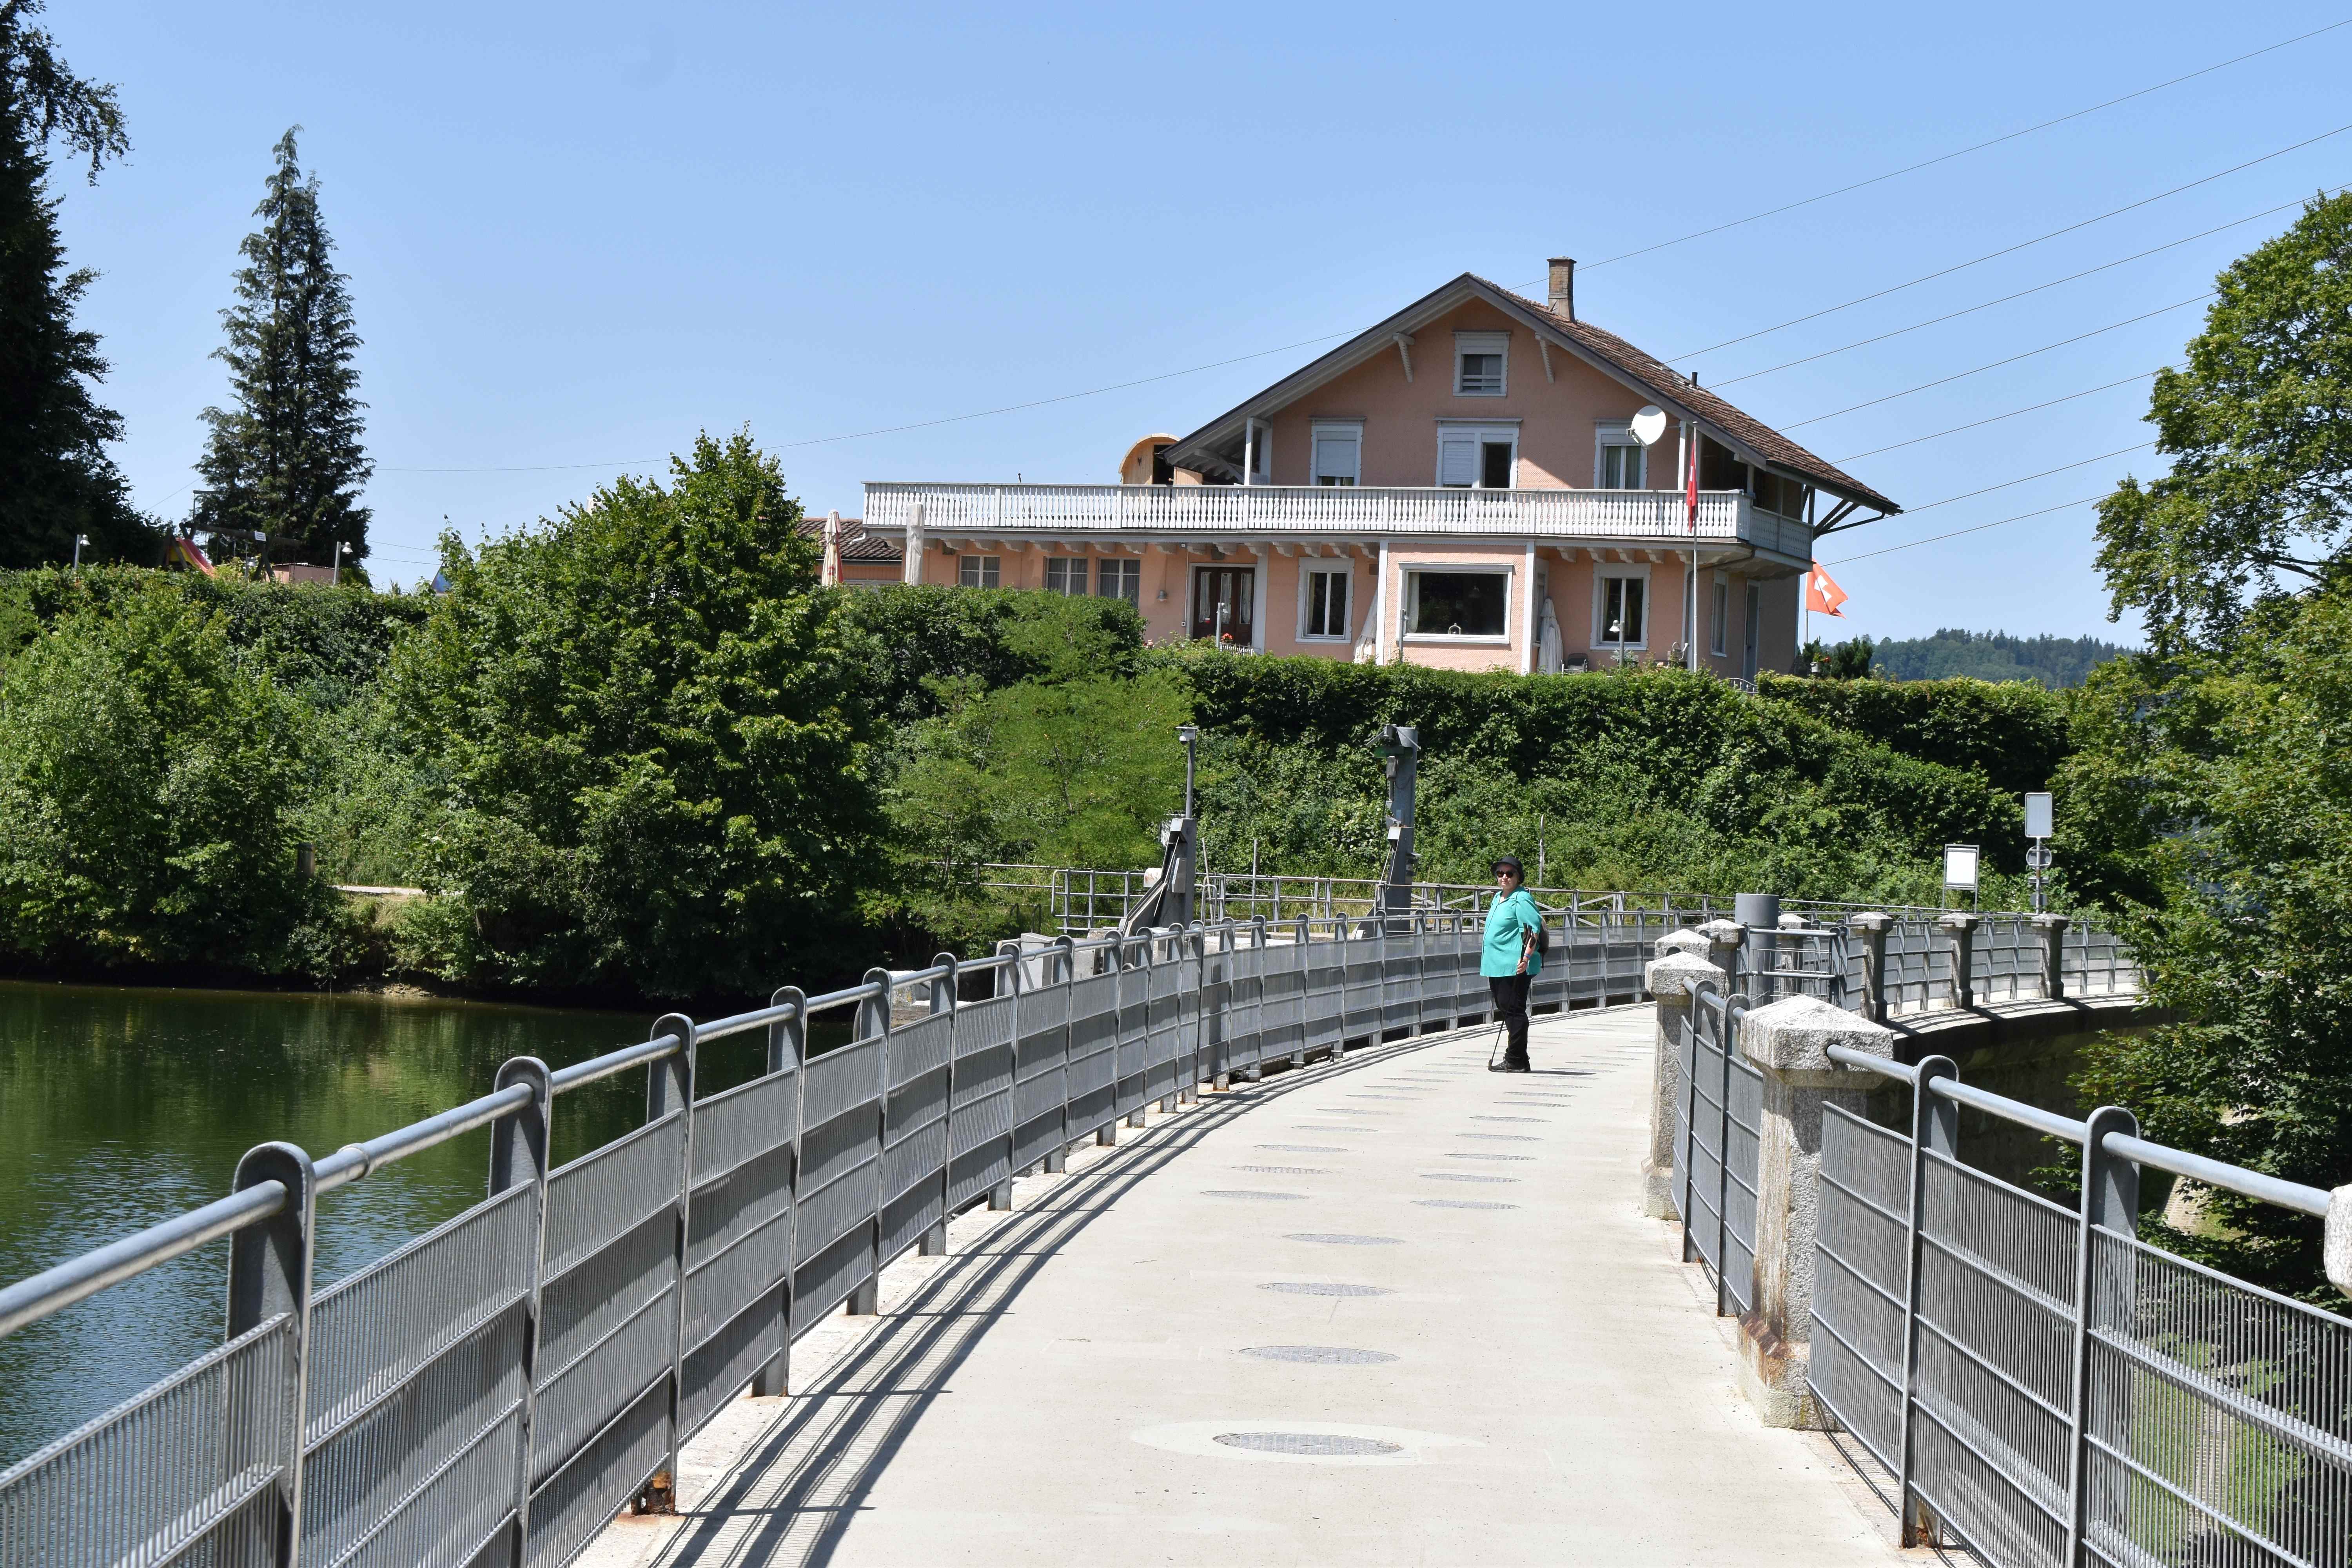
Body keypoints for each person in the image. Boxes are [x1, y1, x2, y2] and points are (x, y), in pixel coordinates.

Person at [1482, 856, 1543, 1073]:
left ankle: (1516, 1059)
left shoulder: (1522, 899)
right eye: (1500, 874)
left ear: (1518, 877)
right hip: (1496, 964)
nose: (1505, 877)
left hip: (1514, 965)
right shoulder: (1498, 898)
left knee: (1514, 1010)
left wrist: (1526, 958)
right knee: (1506, 1008)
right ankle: (1518, 1058)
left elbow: (1533, 931)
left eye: (1510, 874)